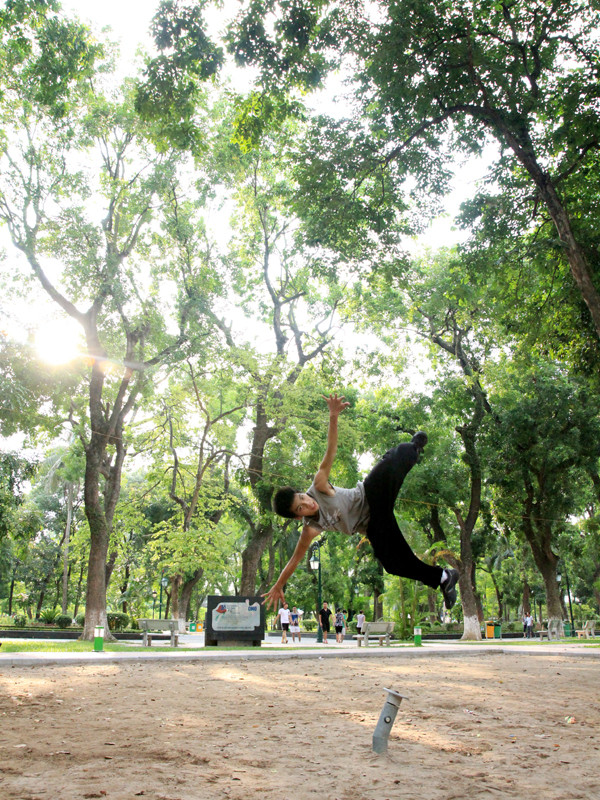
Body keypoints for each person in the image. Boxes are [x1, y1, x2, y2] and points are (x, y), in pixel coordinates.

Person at [263, 394, 459, 611]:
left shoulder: (318, 485)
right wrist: (278, 585)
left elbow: (331, 450)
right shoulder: (311, 528)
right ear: (298, 516)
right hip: (372, 525)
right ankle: (444, 577)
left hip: (371, 494)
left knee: (394, 459)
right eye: (301, 507)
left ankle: (413, 448)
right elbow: (294, 560)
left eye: (303, 498)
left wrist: (333, 415)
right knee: (394, 564)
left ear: (302, 492)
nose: (308, 503)